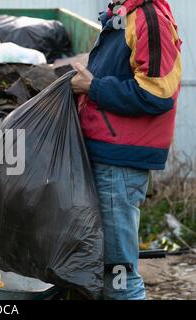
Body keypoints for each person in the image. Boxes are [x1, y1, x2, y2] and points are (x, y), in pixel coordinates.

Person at [71, 0, 182, 300]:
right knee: (104, 267)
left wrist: (93, 87)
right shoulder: (121, 15)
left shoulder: (149, 19)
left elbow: (157, 93)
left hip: (118, 161)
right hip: (105, 153)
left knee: (118, 275)